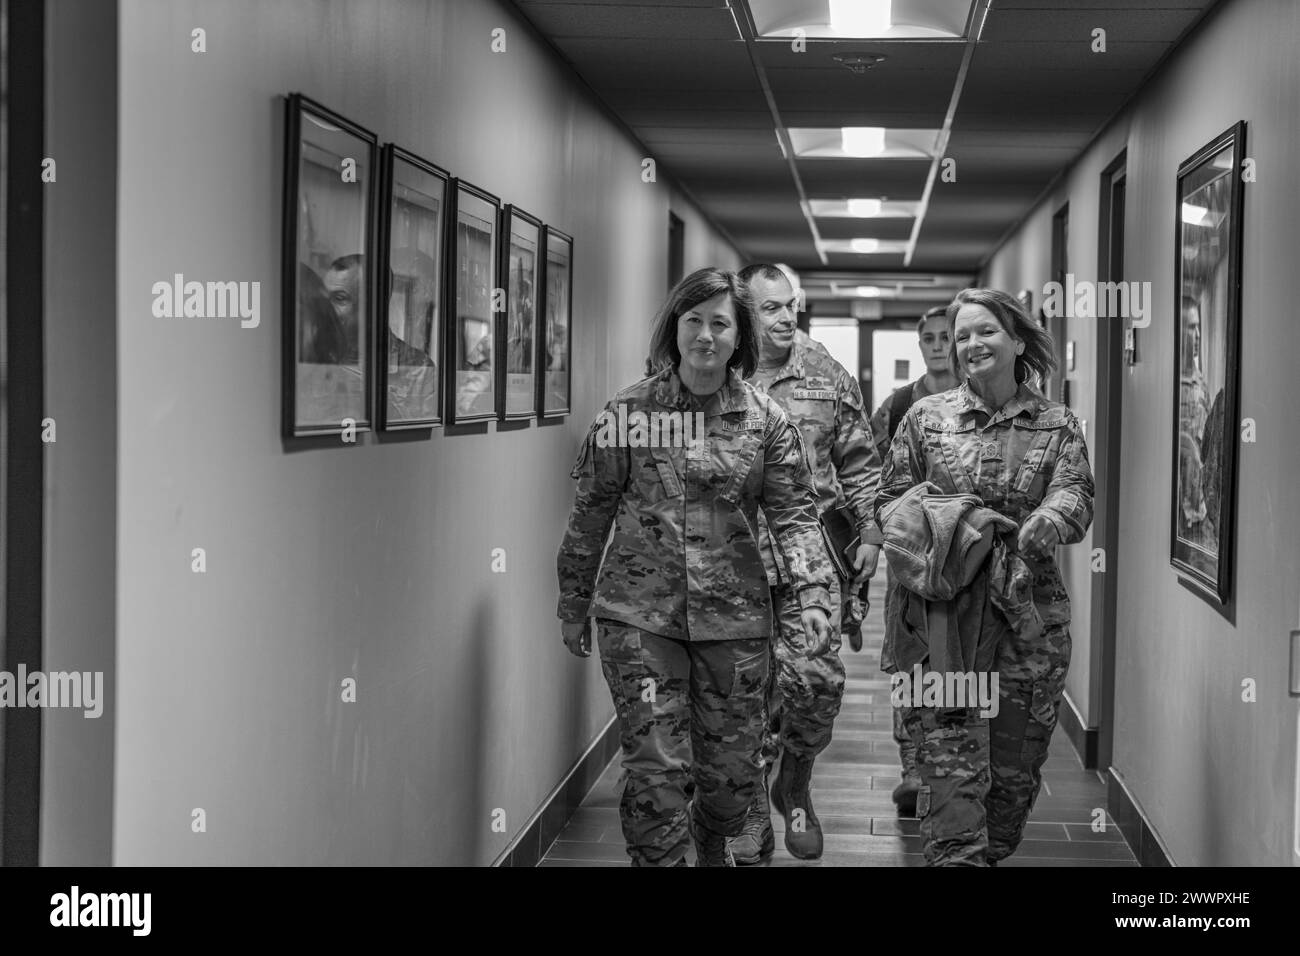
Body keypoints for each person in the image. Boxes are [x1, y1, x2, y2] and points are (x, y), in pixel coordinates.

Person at [555, 267, 836, 867]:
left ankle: (715, 847)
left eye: (720, 323)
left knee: (731, 778)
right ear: (673, 328)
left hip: (735, 625)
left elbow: (794, 518)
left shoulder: (766, 421)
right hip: (639, 620)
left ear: (740, 337)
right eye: (693, 321)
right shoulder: (628, 413)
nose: (705, 335)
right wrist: (574, 601)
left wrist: (813, 594)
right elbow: (590, 514)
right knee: (656, 772)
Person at [875, 287, 1094, 866]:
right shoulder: (926, 418)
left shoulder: (1056, 423)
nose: (970, 344)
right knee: (948, 785)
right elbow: (890, 501)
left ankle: (988, 852)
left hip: (1028, 629)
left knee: (1010, 785)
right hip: (943, 622)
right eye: (961, 335)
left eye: (985, 332)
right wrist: (950, 526)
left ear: (1018, 340)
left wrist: (1052, 516)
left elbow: (1077, 490)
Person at [727, 263, 883, 864]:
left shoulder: (823, 371)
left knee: (815, 684)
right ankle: (748, 820)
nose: (787, 317)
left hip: (808, 558)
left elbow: (861, 463)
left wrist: (870, 530)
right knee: (740, 694)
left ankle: (794, 781)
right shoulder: (712, 367)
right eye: (771, 308)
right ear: (745, 312)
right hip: (729, 562)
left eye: (791, 305)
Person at [869, 306, 958, 816]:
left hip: (964, 561)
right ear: (920, 345)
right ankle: (912, 765)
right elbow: (878, 484)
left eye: (948, 336)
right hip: (911, 558)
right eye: (931, 338)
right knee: (911, 655)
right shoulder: (900, 405)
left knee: (962, 658)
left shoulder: (982, 402)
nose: (940, 345)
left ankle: (952, 768)